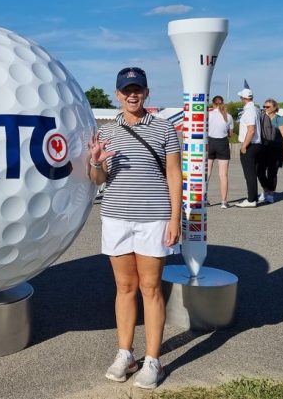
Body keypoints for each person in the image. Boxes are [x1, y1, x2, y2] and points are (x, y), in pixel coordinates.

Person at [87, 67, 182, 390]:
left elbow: (173, 174)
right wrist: (96, 161)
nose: (132, 94)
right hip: (115, 217)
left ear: (146, 92)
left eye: (137, 89)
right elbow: (99, 181)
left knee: (150, 288)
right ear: (117, 94)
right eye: (126, 89)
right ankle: (125, 353)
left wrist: (175, 218)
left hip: (154, 216)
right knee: (125, 287)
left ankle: (153, 360)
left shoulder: (165, 129)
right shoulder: (107, 133)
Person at [235, 88, 264, 207]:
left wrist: (244, 145)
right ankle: (253, 198)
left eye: (241, 97)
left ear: (244, 98)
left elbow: (251, 130)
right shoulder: (256, 109)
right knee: (252, 173)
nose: (240, 99)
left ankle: (251, 200)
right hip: (256, 145)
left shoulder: (250, 111)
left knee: (249, 174)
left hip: (250, 145)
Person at [259, 98, 283, 203]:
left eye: (267, 106)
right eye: (264, 106)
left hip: (276, 147)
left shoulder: (279, 119)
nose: (265, 108)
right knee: (260, 170)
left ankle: (270, 194)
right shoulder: (261, 118)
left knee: (272, 172)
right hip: (264, 147)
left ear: (274, 108)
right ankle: (266, 190)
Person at [207, 95, 234, 208]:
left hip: (210, 142)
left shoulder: (208, 115)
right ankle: (224, 202)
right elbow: (231, 134)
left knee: (207, 173)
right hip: (222, 143)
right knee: (223, 174)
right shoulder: (228, 116)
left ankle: (203, 199)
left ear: (213, 104)